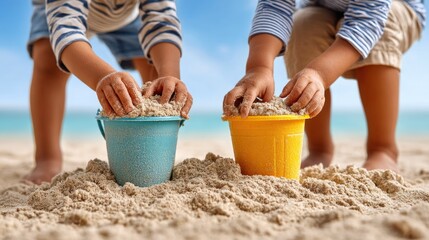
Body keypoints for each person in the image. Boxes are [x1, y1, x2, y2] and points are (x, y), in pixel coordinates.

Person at [223, 0, 425, 172]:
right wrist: (259, 67)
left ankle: (383, 147)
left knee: (385, 24)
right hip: (324, 6)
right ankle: (319, 148)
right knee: (302, 25)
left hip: (391, 9)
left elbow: (368, 19)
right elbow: (275, 6)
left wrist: (319, 74)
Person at [26, 0, 192, 184]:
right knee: (47, 62)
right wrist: (101, 76)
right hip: (61, 11)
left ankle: (151, 147)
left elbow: (162, 22)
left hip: (126, 16)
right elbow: (65, 28)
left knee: (155, 73)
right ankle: (47, 157)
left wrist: (169, 75)